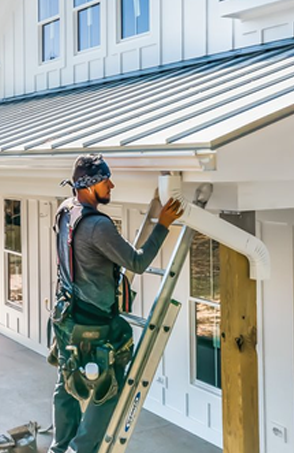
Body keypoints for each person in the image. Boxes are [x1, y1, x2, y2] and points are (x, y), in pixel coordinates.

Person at [48, 154, 183, 453]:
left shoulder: (65, 210)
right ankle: (81, 450)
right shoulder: (97, 225)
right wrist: (162, 224)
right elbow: (136, 262)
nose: (111, 184)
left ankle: (60, 449)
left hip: (66, 315)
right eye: (105, 180)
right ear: (90, 184)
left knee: (67, 381)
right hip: (92, 322)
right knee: (106, 390)